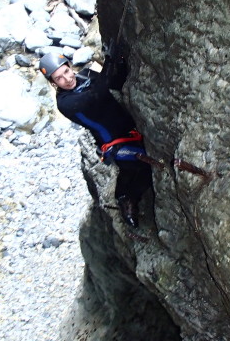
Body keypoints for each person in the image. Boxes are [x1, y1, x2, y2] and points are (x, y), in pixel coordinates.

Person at [39, 51, 152, 228]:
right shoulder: (66, 103)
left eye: (66, 72)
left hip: (128, 127)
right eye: (60, 78)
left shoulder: (86, 75)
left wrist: (119, 62)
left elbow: (114, 82)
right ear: (54, 84)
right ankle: (125, 199)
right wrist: (108, 63)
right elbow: (96, 95)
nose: (67, 79)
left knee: (132, 169)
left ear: (70, 67)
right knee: (142, 163)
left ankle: (124, 195)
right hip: (113, 142)